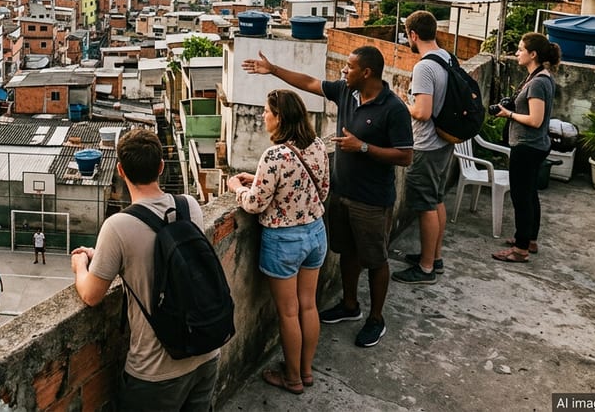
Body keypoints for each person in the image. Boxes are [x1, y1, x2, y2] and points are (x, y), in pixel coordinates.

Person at [244, 46, 413, 348]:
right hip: (341, 193)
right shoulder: (346, 92)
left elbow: (405, 156)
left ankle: (376, 318)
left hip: (372, 199)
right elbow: (309, 83)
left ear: (367, 73)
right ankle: (350, 304)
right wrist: (273, 70)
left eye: (349, 67)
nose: (344, 71)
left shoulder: (393, 108)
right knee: (347, 251)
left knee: (375, 259)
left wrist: (363, 147)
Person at [71, 129, 219, 410]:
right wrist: (102, 255)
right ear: (161, 167)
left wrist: (81, 264)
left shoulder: (117, 226)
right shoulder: (189, 206)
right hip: (206, 352)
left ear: (120, 170)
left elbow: (91, 295)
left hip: (156, 370)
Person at [229, 89, 330, 393]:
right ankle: (306, 371)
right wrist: (259, 179)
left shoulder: (274, 156)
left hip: (284, 241)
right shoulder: (317, 146)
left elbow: (255, 205)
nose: (263, 116)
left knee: (288, 312)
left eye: (267, 112)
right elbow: (322, 190)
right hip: (315, 233)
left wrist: (237, 187)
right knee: (308, 306)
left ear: (280, 117)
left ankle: (293, 379)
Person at [393, 10, 457, 285]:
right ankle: (434, 257)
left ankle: (426, 268)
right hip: (443, 143)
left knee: (425, 206)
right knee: (436, 199)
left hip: (427, 145)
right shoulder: (446, 57)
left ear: (413, 35)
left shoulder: (424, 67)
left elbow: (422, 112)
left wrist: (400, 104)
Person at [492, 32, 560, 263]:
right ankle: (529, 239)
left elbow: (535, 120)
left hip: (528, 146)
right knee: (530, 194)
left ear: (533, 54)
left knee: (522, 198)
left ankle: (520, 250)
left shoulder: (539, 81)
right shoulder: (539, 76)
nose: (517, 53)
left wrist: (508, 113)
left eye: (521, 50)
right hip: (533, 145)